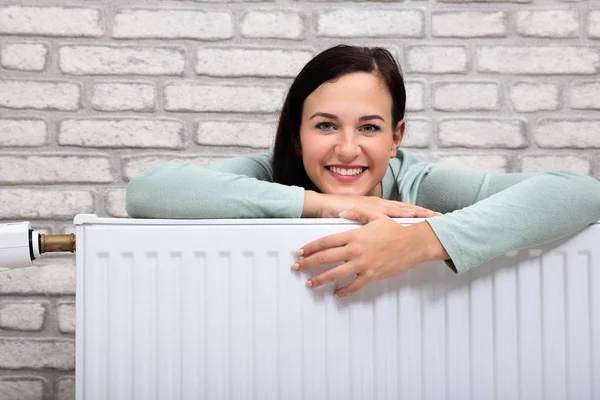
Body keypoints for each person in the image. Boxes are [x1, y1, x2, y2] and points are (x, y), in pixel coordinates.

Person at [126, 45, 600, 298]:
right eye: (326, 125)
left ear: (396, 138)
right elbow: (149, 191)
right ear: (298, 134)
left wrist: (418, 240)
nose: (347, 149)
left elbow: (580, 191)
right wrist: (331, 204)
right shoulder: (267, 173)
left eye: (369, 128)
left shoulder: (418, 185)